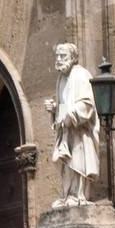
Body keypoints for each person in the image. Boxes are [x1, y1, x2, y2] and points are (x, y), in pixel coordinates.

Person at [43, 42, 100, 208]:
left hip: (80, 131)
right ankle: (68, 195)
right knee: (67, 163)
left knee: (77, 161)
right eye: (57, 56)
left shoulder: (81, 75)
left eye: (63, 56)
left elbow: (87, 103)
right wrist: (54, 109)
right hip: (66, 130)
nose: (59, 59)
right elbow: (63, 105)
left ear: (73, 58)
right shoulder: (61, 79)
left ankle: (78, 195)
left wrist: (72, 115)